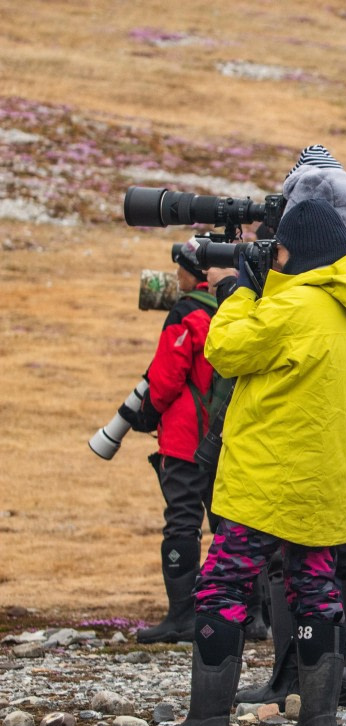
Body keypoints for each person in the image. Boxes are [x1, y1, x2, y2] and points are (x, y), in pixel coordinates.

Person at [169, 197, 346, 726]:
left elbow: (225, 347)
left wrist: (245, 288)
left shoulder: (291, 308)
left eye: (281, 250)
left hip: (266, 478)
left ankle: (206, 719)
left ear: (299, 252)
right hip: (324, 483)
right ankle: (318, 719)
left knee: (223, 586)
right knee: (315, 588)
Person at [120, 239, 218, 644]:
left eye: (180, 268)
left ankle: (181, 615)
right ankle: (254, 616)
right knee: (231, 525)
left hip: (183, 437)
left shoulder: (186, 313)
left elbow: (165, 379)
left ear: (193, 274)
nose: (175, 275)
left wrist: (145, 414)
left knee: (182, 521)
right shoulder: (234, 308)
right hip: (223, 436)